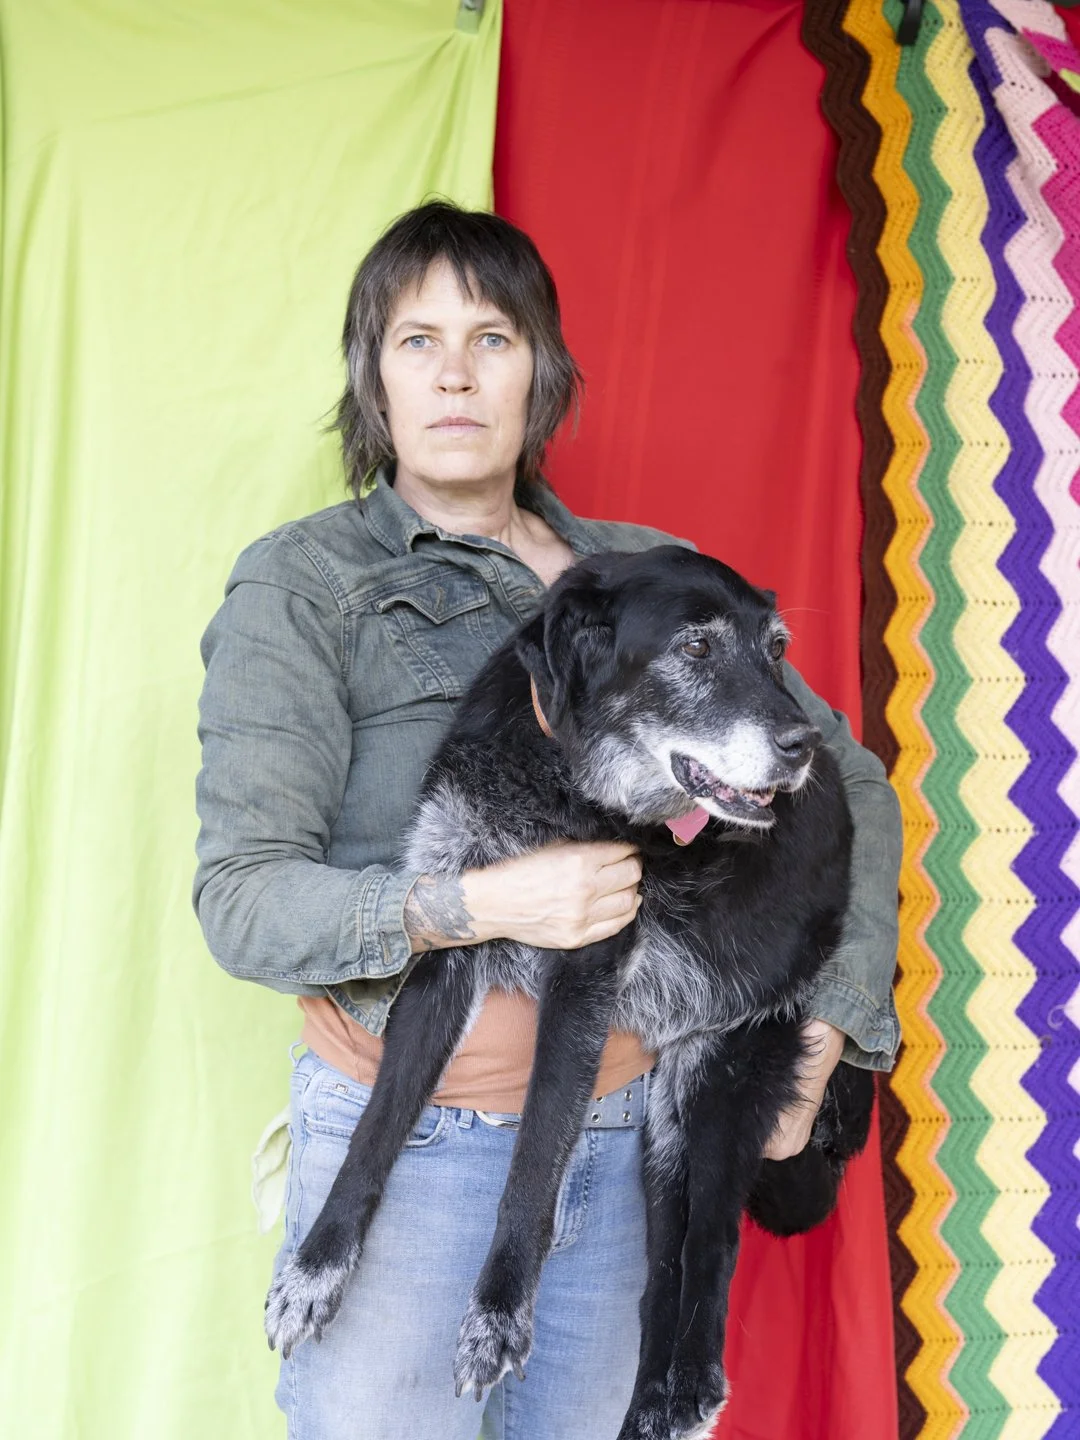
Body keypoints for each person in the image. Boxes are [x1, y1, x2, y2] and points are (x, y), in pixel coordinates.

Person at [193, 200, 902, 1440]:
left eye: (494, 337)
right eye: (417, 341)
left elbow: (851, 782)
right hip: (412, 1151)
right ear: (371, 376)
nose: (457, 373)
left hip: (630, 1149)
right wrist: (467, 904)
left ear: (545, 373)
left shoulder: (654, 576)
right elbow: (244, 897)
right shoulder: (305, 587)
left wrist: (829, 1033)